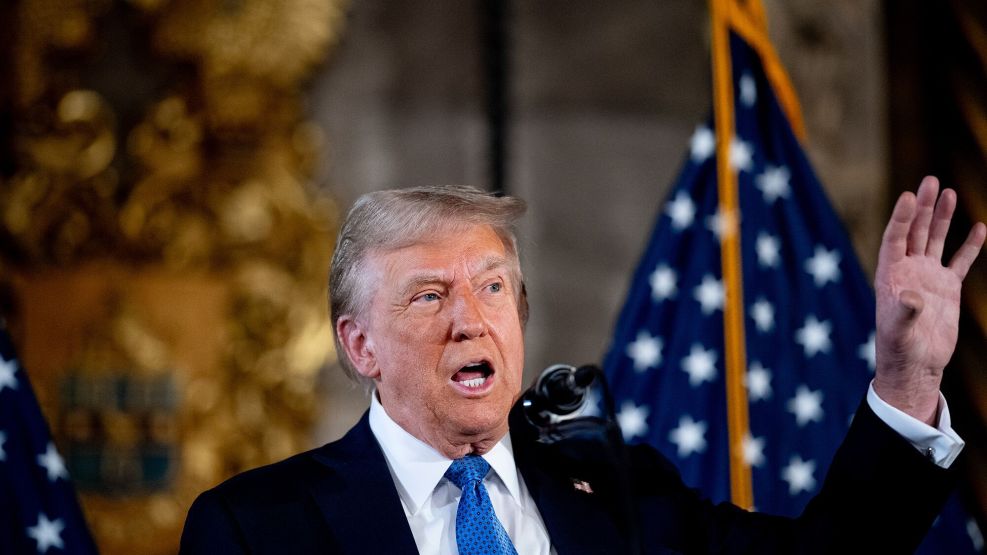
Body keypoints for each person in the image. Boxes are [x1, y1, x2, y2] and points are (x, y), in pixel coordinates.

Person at [180, 177, 985, 554]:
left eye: (491, 287)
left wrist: (906, 377)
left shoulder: (619, 495)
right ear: (359, 345)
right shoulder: (257, 529)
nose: (470, 318)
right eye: (428, 296)